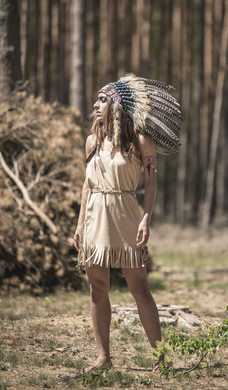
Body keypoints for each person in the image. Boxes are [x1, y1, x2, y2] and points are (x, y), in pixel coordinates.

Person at [73, 74, 181, 373]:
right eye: (96, 99)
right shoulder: (92, 141)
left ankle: (163, 358)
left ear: (117, 105)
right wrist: (80, 224)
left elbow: (152, 183)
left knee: (140, 288)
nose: (96, 105)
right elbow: (87, 185)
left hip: (127, 214)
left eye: (102, 100)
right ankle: (103, 358)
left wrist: (147, 218)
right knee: (97, 288)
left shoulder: (140, 141)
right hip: (96, 216)